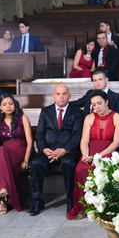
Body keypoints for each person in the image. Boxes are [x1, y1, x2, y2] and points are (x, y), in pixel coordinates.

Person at [67, 93, 119, 220]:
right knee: (80, 169)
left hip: (108, 151)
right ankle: (87, 205)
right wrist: (85, 154)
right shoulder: (89, 118)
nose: (97, 107)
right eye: (94, 105)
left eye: (99, 103)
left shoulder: (118, 117)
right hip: (90, 150)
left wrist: (99, 155)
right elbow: (84, 141)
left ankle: (106, 205)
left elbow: (117, 143)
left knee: (103, 168)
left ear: (106, 102)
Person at [30, 84, 83, 216]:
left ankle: (71, 201)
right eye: (58, 94)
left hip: (69, 151)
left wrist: (65, 149)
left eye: (64, 93)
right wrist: (44, 149)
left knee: (68, 163)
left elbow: (77, 135)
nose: (61, 96)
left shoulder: (77, 112)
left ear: (69, 96)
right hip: (48, 150)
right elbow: (40, 134)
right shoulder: (45, 111)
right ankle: (37, 201)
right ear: (53, 96)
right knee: (36, 163)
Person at [0, 95, 33, 214]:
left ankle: (3, 200)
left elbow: (30, 141)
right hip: (5, 152)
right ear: (0, 107)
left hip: (20, 150)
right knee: (0, 151)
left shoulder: (22, 118)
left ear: (15, 104)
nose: (8, 106)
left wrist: (26, 160)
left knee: (1, 155)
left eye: (10, 103)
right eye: (4, 104)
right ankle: (3, 191)